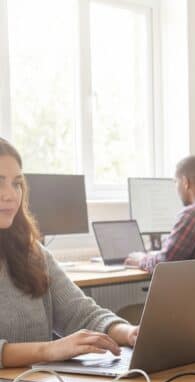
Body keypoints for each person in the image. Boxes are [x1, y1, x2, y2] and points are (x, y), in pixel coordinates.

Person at [0, 138, 138, 369]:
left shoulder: (32, 253)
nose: (11, 195)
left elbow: (80, 313)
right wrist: (49, 349)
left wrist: (129, 332)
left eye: (17, 184)